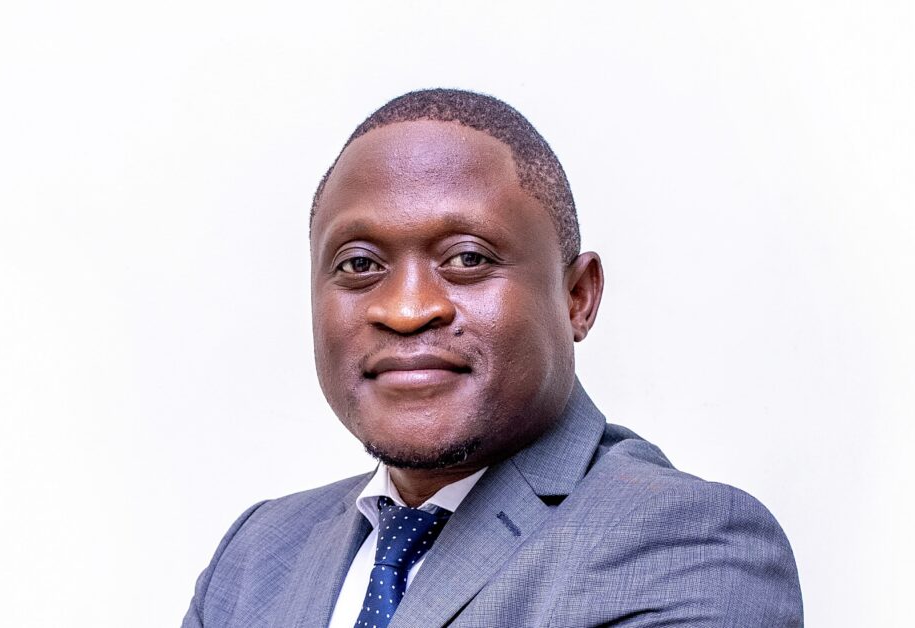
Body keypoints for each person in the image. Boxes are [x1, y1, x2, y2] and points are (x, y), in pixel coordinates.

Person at [181, 89, 803, 627]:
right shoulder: (256, 553)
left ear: (578, 297)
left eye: (468, 258)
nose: (406, 309)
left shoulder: (686, 544)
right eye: (359, 264)